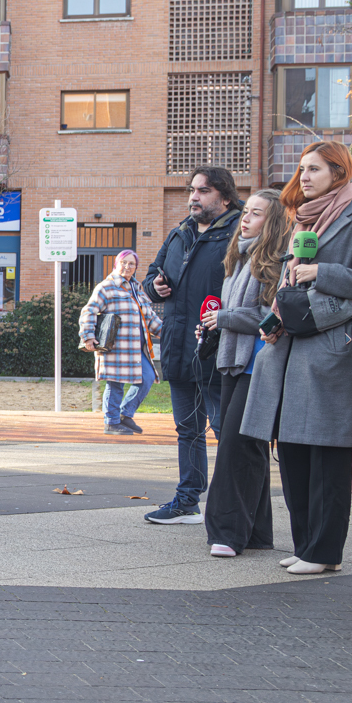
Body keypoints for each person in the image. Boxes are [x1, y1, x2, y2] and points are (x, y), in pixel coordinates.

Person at [241, 141, 352, 576]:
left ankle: (325, 551)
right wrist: (272, 318)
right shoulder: (299, 223)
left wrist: (322, 272)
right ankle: (306, 545)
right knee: (293, 453)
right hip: (288, 348)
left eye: (315, 170)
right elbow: (289, 283)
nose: (304, 177)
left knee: (327, 456)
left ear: (338, 174)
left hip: (331, 352)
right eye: (302, 169)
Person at [141, 166, 240, 522]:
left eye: (203, 191)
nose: (193, 198)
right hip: (178, 346)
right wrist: (155, 286)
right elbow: (150, 276)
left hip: (217, 349)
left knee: (225, 430)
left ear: (225, 197)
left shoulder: (238, 234)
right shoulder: (179, 232)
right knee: (188, 429)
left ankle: (232, 506)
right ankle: (187, 500)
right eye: (192, 190)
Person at [200, 190, 289, 557]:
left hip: (260, 363)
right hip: (235, 361)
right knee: (247, 446)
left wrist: (222, 318)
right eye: (246, 211)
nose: (246, 219)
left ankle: (227, 531)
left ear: (273, 222)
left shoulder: (275, 261)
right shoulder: (238, 259)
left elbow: (272, 316)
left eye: (256, 213)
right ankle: (256, 532)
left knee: (237, 445)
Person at [77, 249, 160, 436]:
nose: (127, 266)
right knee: (115, 384)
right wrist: (88, 336)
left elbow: (150, 318)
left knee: (146, 378)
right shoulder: (106, 287)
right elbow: (88, 311)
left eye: (132, 264)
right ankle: (111, 422)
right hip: (115, 347)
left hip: (136, 348)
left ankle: (125, 413)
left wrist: (170, 333)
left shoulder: (137, 289)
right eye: (124, 262)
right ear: (116, 264)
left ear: (136, 267)